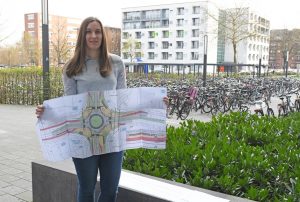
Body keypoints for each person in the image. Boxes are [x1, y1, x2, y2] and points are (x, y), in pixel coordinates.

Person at [36, 17, 169, 202]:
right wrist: (47, 112)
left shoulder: (116, 63)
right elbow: (69, 105)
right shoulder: (71, 67)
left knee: (110, 191)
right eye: (89, 31)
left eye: (97, 31)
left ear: (102, 35)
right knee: (86, 189)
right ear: (82, 36)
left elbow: (124, 100)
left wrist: (154, 102)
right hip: (83, 137)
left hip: (113, 136)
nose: (93, 35)